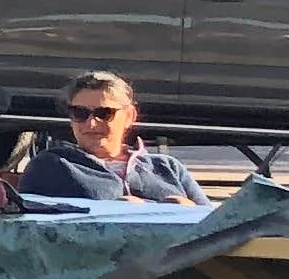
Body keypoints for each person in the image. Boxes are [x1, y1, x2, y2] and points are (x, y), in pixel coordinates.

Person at [20, 71, 207, 207]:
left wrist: (185, 209)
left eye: (104, 113)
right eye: (80, 113)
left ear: (129, 117)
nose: (92, 123)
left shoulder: (168, 167)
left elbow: (216, 225)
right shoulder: (51, 166)